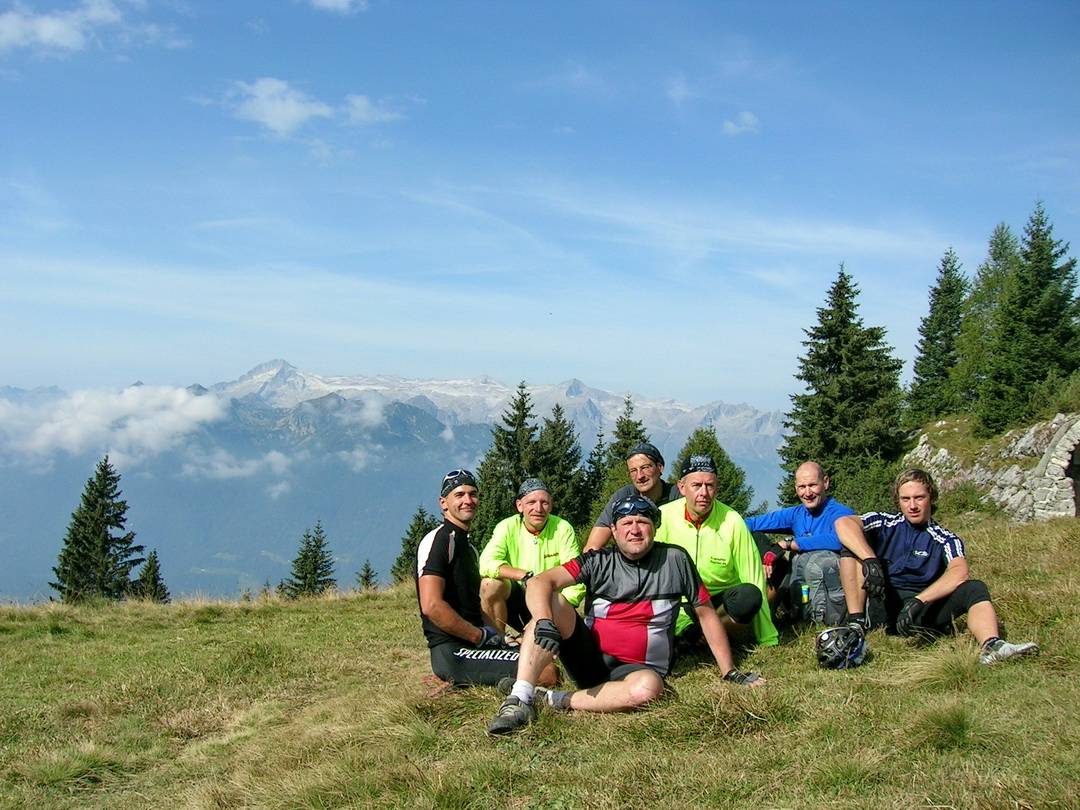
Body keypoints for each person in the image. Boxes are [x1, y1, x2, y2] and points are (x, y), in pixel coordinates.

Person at [487, 493, 764, 735]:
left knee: (648, 690)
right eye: (626, 523)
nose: (635, 529)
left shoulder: (676, 560)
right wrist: (546, 620)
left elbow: (705, 615)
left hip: (639, 671)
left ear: (654, 527)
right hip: (590, 659)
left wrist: (729, 672)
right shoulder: (598, 560)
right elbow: (538, 582)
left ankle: (550, 699)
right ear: (614, 530)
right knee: (554, 603)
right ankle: (519, 698)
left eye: (642, 521)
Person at [835, 467, 1039, 665]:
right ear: (898, 501)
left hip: (919, 611)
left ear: (931, 498)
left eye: (919, 498)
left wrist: (919, 601)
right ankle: (856, 624)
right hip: (881, 602)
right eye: (905, 499)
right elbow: (843, 523)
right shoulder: (884, 522)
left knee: (975, 588)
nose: (912, 505)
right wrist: (871, 560)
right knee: (851, 549)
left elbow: (959, 571)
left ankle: (992, 646)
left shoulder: (945, 538)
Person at [416, 469, 555, 686]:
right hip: (453, 651)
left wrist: (499, 639)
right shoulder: (440, 540)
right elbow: (431, 605)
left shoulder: (469, 549)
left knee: (545, 656)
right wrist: (479, 637)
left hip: (474, 645)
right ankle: (502, 690)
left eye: (472, 494)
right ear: (443, 503)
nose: (468, 500)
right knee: (545, 671)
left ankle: (501, 685)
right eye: (459, 495)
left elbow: (472, 604)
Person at [654, 454, 779, 647]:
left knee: (749, 595)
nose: (703, 492)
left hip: (719, 602)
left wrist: (768, 639)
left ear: (716, 487)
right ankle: (688, 634)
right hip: (679, 602)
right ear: (681, 487)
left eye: (709, 485)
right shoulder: (663, 517)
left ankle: (706, 635)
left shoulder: (732, 520)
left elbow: (753, 577)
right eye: (696, 485)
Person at [743, 461, 852, 625]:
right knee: (776, 561)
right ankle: (770, 617)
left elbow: (840, 538)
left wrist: (791, 543)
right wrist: (766, 552)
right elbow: (748, 524)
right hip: (802, 585)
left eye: (812, 485)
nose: (807, 493)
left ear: (826, 482)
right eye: (802, 487)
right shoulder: (796, 514)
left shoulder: (841, 513)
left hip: (831, 590)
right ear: (796, 488)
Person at [478, 477, 585, 633]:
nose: (538, 508)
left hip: (551, 602)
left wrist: (552, 612)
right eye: (531, 503)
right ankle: (497, 642)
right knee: (489, 584)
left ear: (551, 505)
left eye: (544, 502)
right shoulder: (506, 526)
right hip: (518, 596)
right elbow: (486, 563)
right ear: (519, 506)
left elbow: (576, 577)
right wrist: (524, 575)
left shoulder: (563, 528)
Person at [584, 442, 681, 552]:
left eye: (645, 468)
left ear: (660, 467)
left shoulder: (678, 496)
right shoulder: (623, 497)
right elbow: (593, 546)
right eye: (633, 471)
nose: (640, 476)